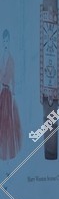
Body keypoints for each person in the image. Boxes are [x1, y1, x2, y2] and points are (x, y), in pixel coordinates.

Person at [0, 29, 22, 161]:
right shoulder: (1, 58)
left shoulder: (11, 60)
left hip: (8, 94)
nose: (5, 43)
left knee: (9, 122)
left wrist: (14, 93)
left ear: (10, 42)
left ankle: (8, 152)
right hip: (2, 92)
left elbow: (13, 78)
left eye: (7, 40)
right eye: (3, 41)